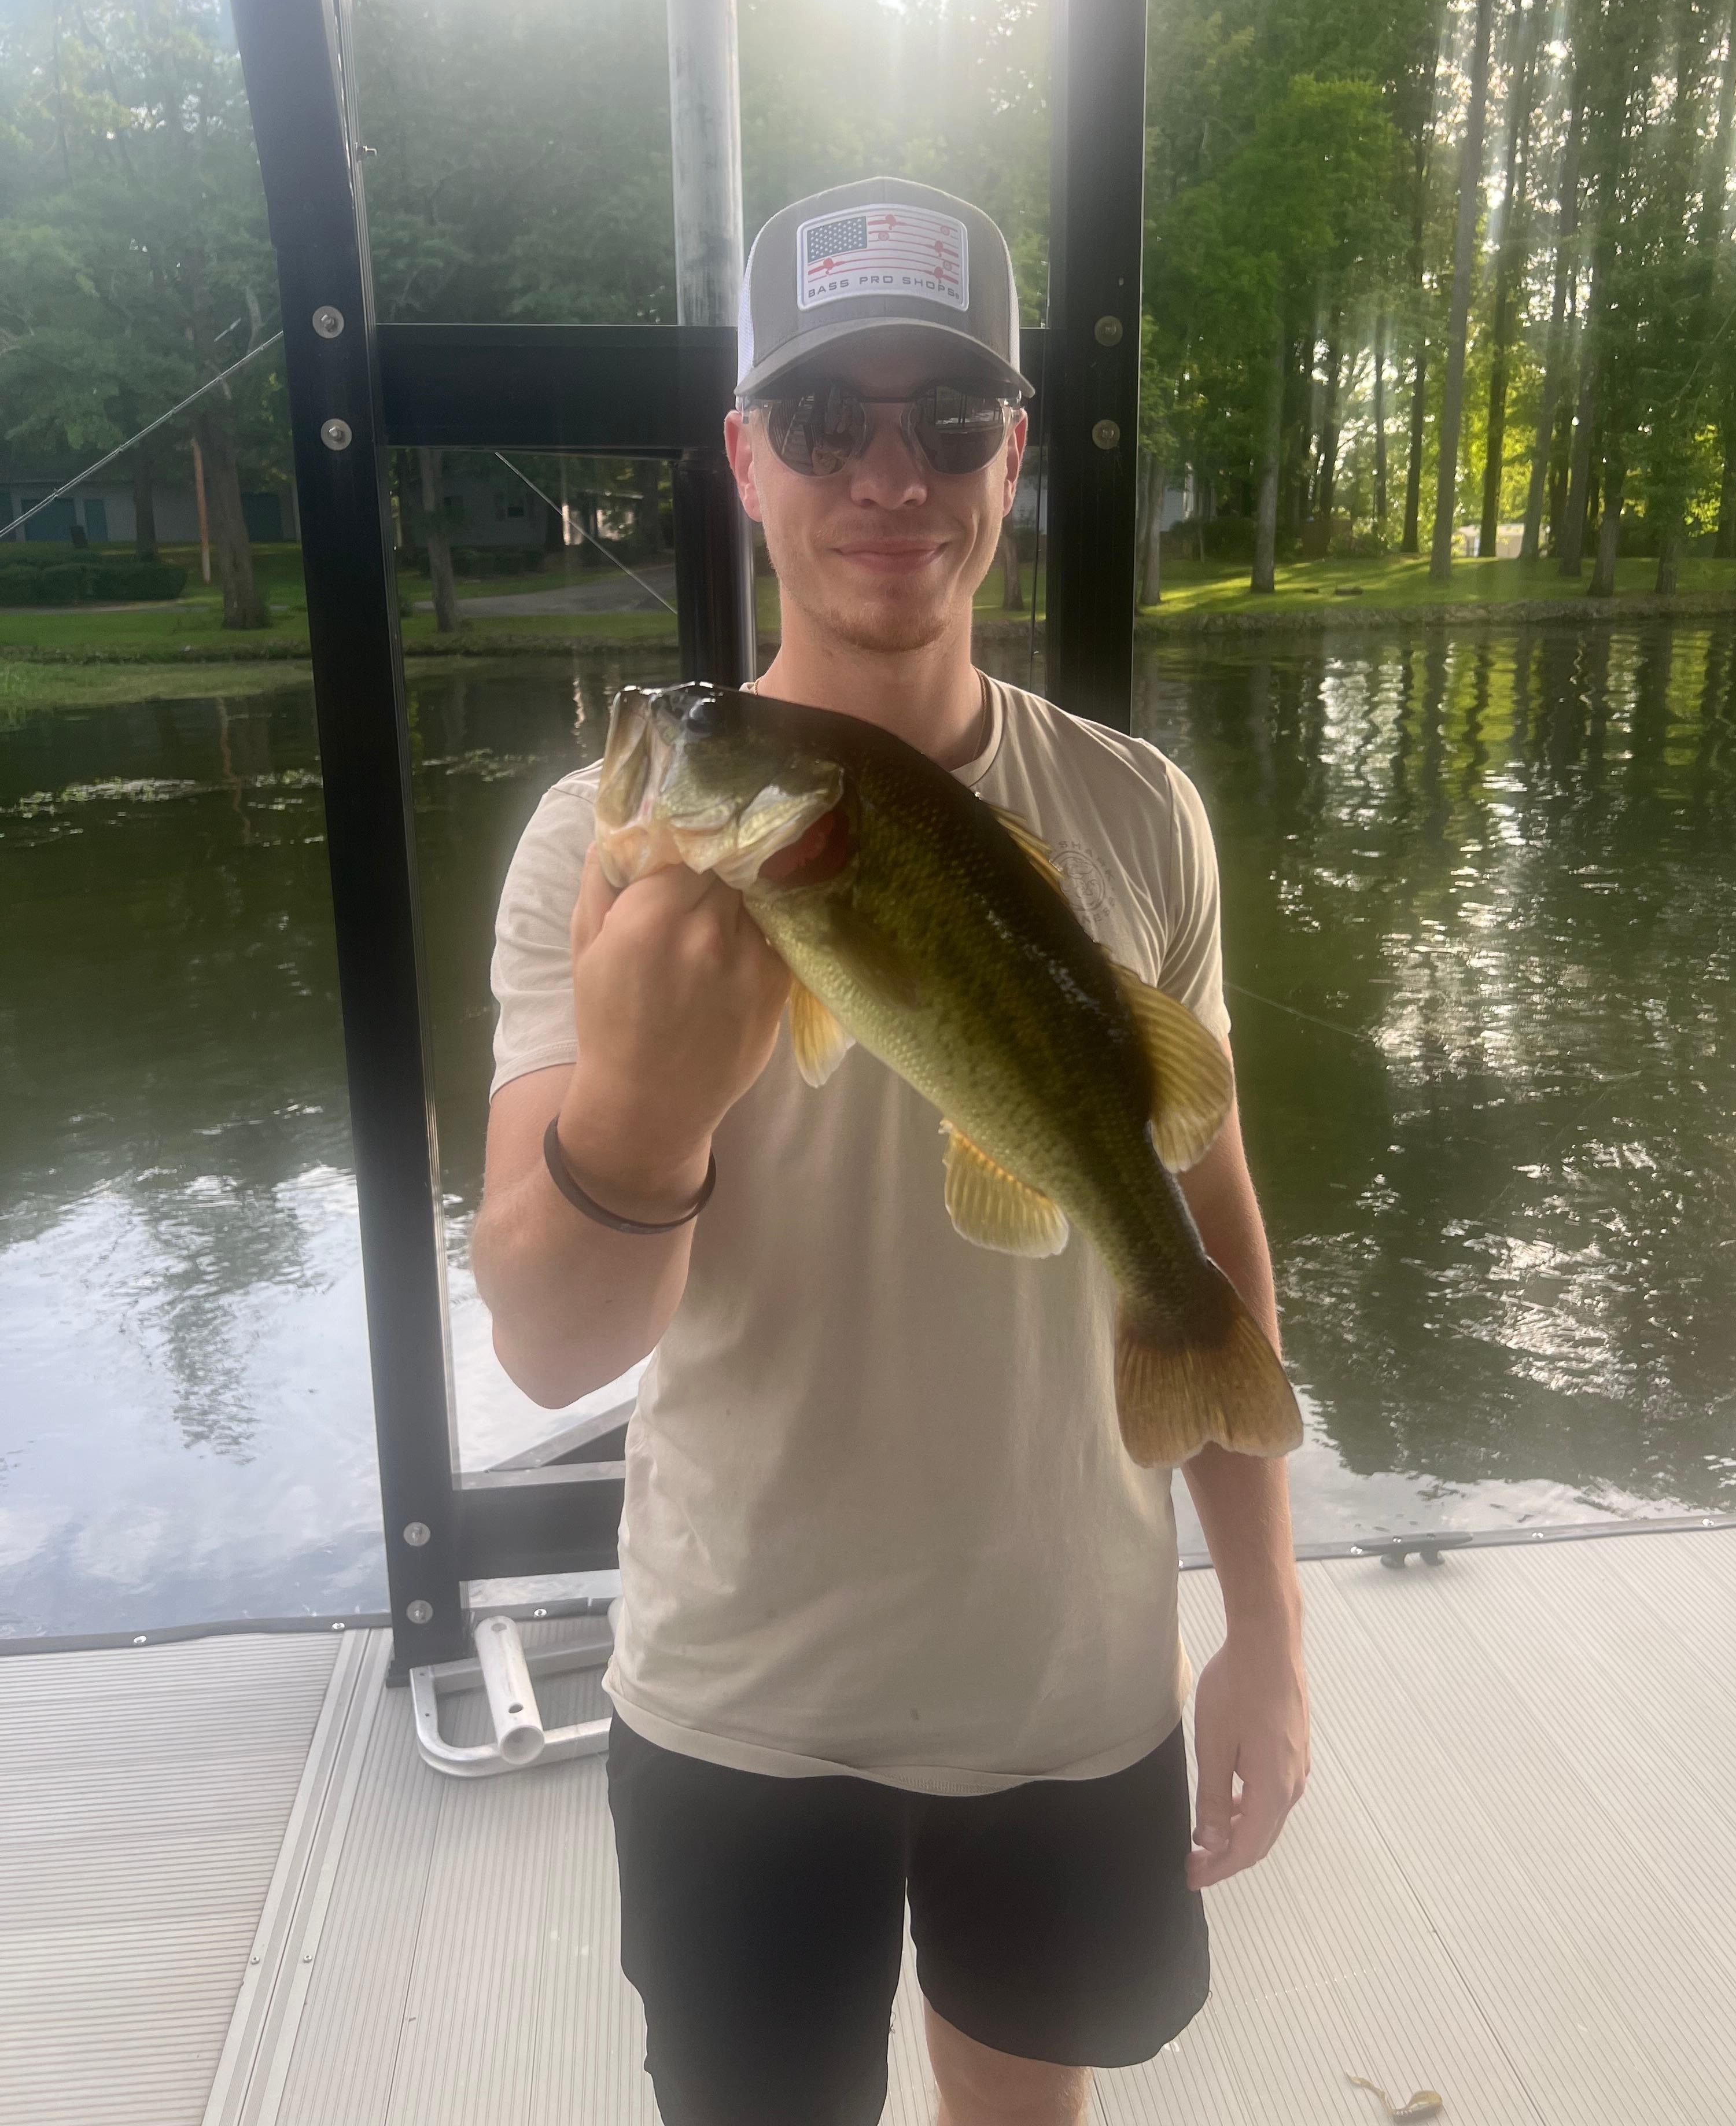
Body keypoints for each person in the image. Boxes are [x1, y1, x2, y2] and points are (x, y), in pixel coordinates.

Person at [472, 176, 1310, 2126]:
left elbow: (1209, 1226)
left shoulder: (1143, 813)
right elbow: (549, 1351)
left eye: (947, 417)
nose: (888, 475)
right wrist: (643, 1106)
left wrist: (1267, 1631)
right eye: (824, 418)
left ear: (1012, 454)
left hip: (1067, 1684)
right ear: (744, 456)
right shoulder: (593, 855)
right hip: (740, 1694)